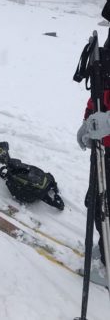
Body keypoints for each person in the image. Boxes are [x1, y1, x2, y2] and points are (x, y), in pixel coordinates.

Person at [77, 90, 110, 267]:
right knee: (97, 203)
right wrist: (88, 120)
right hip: (104, 147)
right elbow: (99, 91)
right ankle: (106, 248)